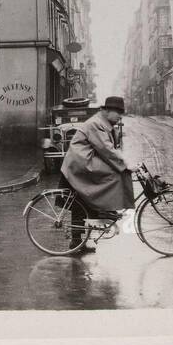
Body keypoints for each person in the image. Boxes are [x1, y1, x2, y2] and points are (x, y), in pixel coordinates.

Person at [59, 96, 134, 253]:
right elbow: (106, 150)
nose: (120, 116)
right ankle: (105, 207)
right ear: (107, 111)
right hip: (81, 164)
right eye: (118, 112)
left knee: (80, 205)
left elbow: (109, 150)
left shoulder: (103, 123)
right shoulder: (97, 124)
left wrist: (123, 162)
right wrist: (125, 165)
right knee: (116, 175)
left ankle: (77, 242)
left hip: (84, 161)